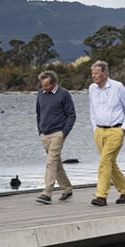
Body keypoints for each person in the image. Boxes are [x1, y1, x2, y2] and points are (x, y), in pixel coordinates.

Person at [88, 60, 125, 206]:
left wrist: (123, 128)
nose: (94, 76)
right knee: (110, 163)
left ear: (105, 73)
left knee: (104, 162)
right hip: (99, 131)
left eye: (96, 73)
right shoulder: (92, 89)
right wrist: (95, 127)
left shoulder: (117, 87)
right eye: (92, 74)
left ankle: (101, 195)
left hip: (116, 129)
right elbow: (92, 109)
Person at [34, 70, 76, 204]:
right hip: (44, 134)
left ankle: (47, 193)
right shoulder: (40, 94)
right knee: (56, 163)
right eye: (42, 85)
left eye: (46, 85)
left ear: (54, 83)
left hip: (58, 133)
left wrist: (64, 132)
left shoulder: (64, 94)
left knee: (51, 161)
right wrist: (40, 130)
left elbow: (71, 115)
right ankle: (67, 189)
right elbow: (38, 113)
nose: (44, 88)